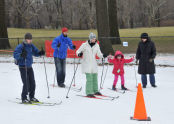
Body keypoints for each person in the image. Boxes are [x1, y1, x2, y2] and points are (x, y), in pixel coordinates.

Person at [13, 33, 45, 104]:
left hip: (29, 66)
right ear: (25, 39)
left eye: (31, 39)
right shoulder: (21, 46)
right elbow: (15, 55)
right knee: (26, 83)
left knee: (32, 83)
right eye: (28, 39)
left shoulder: (31, 46)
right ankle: (24, 97)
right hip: (23, 66)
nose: (30, 40)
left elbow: (36, 52)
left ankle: (32, 96)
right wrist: (21, 55)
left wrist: (40, 53)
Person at [76, 33, 107, 98]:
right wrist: (79, 54)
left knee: (95, 78)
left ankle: (95, 90)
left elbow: (99, 54)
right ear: (90, 39)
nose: (93, 40)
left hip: (93, 64)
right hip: (86, 64)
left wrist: (103, 56)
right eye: (92, 39)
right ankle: (89, 92)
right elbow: (78, 51)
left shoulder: (97, 45)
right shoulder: (84, 45)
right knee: (89, 78)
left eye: (94, 38)